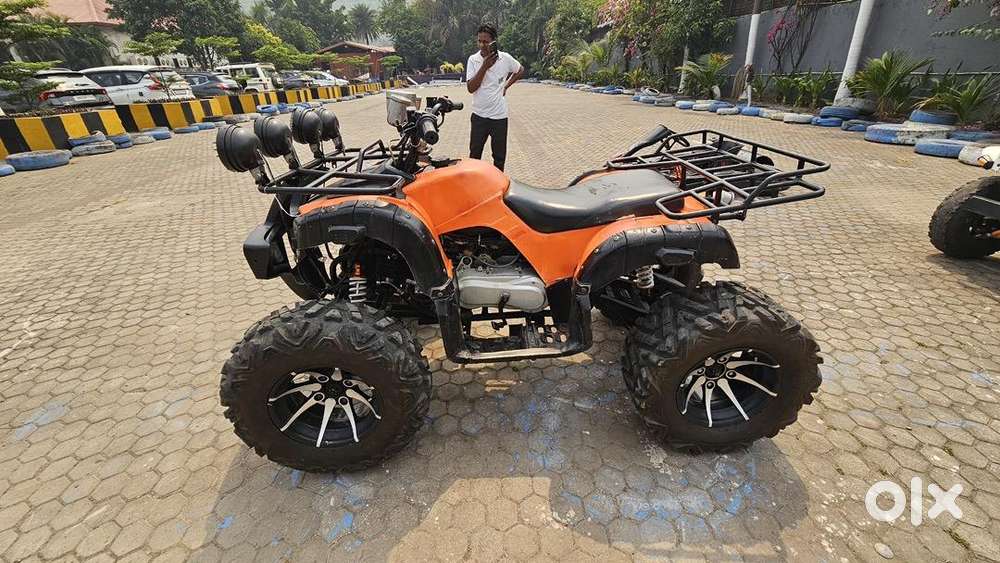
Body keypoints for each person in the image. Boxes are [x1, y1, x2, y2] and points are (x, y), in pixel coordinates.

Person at [465, 24, 523, 171]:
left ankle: (497, 188)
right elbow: (471, 88)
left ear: (493, 42)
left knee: (499, 157)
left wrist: (506, 86)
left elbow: (520, 70)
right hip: (479, 116)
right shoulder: (473, 60)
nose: (482, 45)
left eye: (485, 42)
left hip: (499, 116)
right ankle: (473, 189)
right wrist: (484, 66)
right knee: (474, 156)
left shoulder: (505, 59)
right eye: (479, 41)